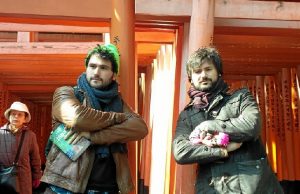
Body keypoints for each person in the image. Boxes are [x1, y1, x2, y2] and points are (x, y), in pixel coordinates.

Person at [172, 47, 283, 193]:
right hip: (212, 187)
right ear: (190, 78)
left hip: (251, 185)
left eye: (208, 69)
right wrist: (222, 150)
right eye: (197, 71)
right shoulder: (187, 115)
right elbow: (181, 152)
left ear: (218, 72)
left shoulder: (241, 97)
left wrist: (209, 125)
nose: (203, 75)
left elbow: (252, 125)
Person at [41, 43, 148, 194]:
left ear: (113, 74)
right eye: (92, 66)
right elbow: (78, 118)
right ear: (86, 68)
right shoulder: (67, 93)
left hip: (107, 187)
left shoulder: (118, 102)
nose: (96, 72)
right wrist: (116, 118)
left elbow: (140, 128)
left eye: (103, 68)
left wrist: (92, 136)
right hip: (65, 185)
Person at [0, 101, 42, 194]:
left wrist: (37, 176)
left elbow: (35, 158)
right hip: (3, 177)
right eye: (13, 114)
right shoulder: (0, 133)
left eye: (20, 115)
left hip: (23, 178)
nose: (16, 117)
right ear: (9, 116)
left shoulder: (30, 135)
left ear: (25, 118)